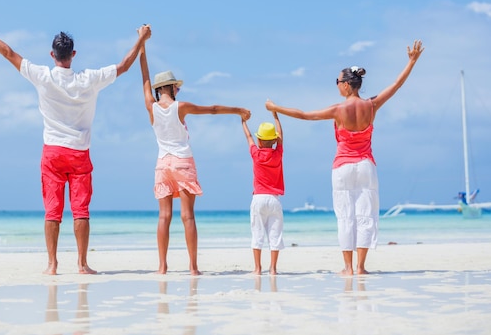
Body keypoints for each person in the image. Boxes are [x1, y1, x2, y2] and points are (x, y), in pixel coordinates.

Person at [0, 8, 151, 275]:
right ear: (73, 55)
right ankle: (82, 264)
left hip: (52, 153)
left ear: (52, 55)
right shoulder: (88, 80)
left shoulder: (43, 75)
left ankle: (52, 264)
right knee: (81, 211)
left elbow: (9, 53)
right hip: (79, 153)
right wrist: (141, 40)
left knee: (53, 211)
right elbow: (123, 66)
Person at [266, 40, 424, 275]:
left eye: (338, 82)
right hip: (366, 167)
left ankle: (348, 267)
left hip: (342, 168)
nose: (337, 86)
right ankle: (361, 267)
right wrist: (411, 61)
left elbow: (304, 115)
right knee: (365, 216)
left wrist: (274, 107)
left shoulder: (337, 110)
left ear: (348, 86)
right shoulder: (372, 105)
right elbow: (396, 85)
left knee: (345, 218)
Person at [138, 40, 250, 275]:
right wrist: (238, 110)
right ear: (170, 87)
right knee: (187, 216)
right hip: (182, 161)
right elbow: (213, 109)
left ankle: (162, 266)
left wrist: (142, 46)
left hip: (162, 164)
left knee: (164, 216)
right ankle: (193, 267)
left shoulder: (151, 106)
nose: (178, 91)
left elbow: (145, 77)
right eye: (176, 87)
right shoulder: (181, 107)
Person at [241, 112, 285, 275]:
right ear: (274, 141)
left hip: (258, 198)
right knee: (275, 235)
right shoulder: (277, 154)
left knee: (257, 234)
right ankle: (273, 268)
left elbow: (248, 137)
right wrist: (276, 116)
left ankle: (258, 268)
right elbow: (281, 136)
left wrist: (243, 122)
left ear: (259, 141)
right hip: (274, 199)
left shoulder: (256, 154)